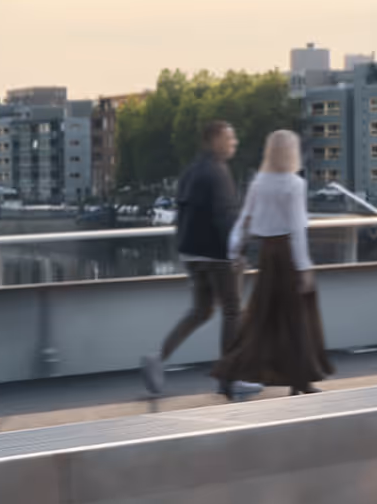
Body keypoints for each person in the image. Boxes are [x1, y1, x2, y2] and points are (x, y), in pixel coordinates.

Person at [210, 130, 335, 398]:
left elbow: (245, 218)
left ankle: (232, 370)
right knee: (298, 318)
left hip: (267, 254)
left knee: (261, 316)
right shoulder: (294, 184)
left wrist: (234, 251)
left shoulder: (259, 182)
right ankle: (301, 380)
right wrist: (304, 268)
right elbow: (297, 228)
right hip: (288, 254)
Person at [143, 120, 242, 395]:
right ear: (214, 140)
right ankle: (229, 377)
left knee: (201, 310)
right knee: (233, 310)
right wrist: (235, 254)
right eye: (229, 138)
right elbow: (225, 217)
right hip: (216, 253)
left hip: (190, 251)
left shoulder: (191, 170)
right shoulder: (218, 172)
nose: (234, 143)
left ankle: (158, 356)